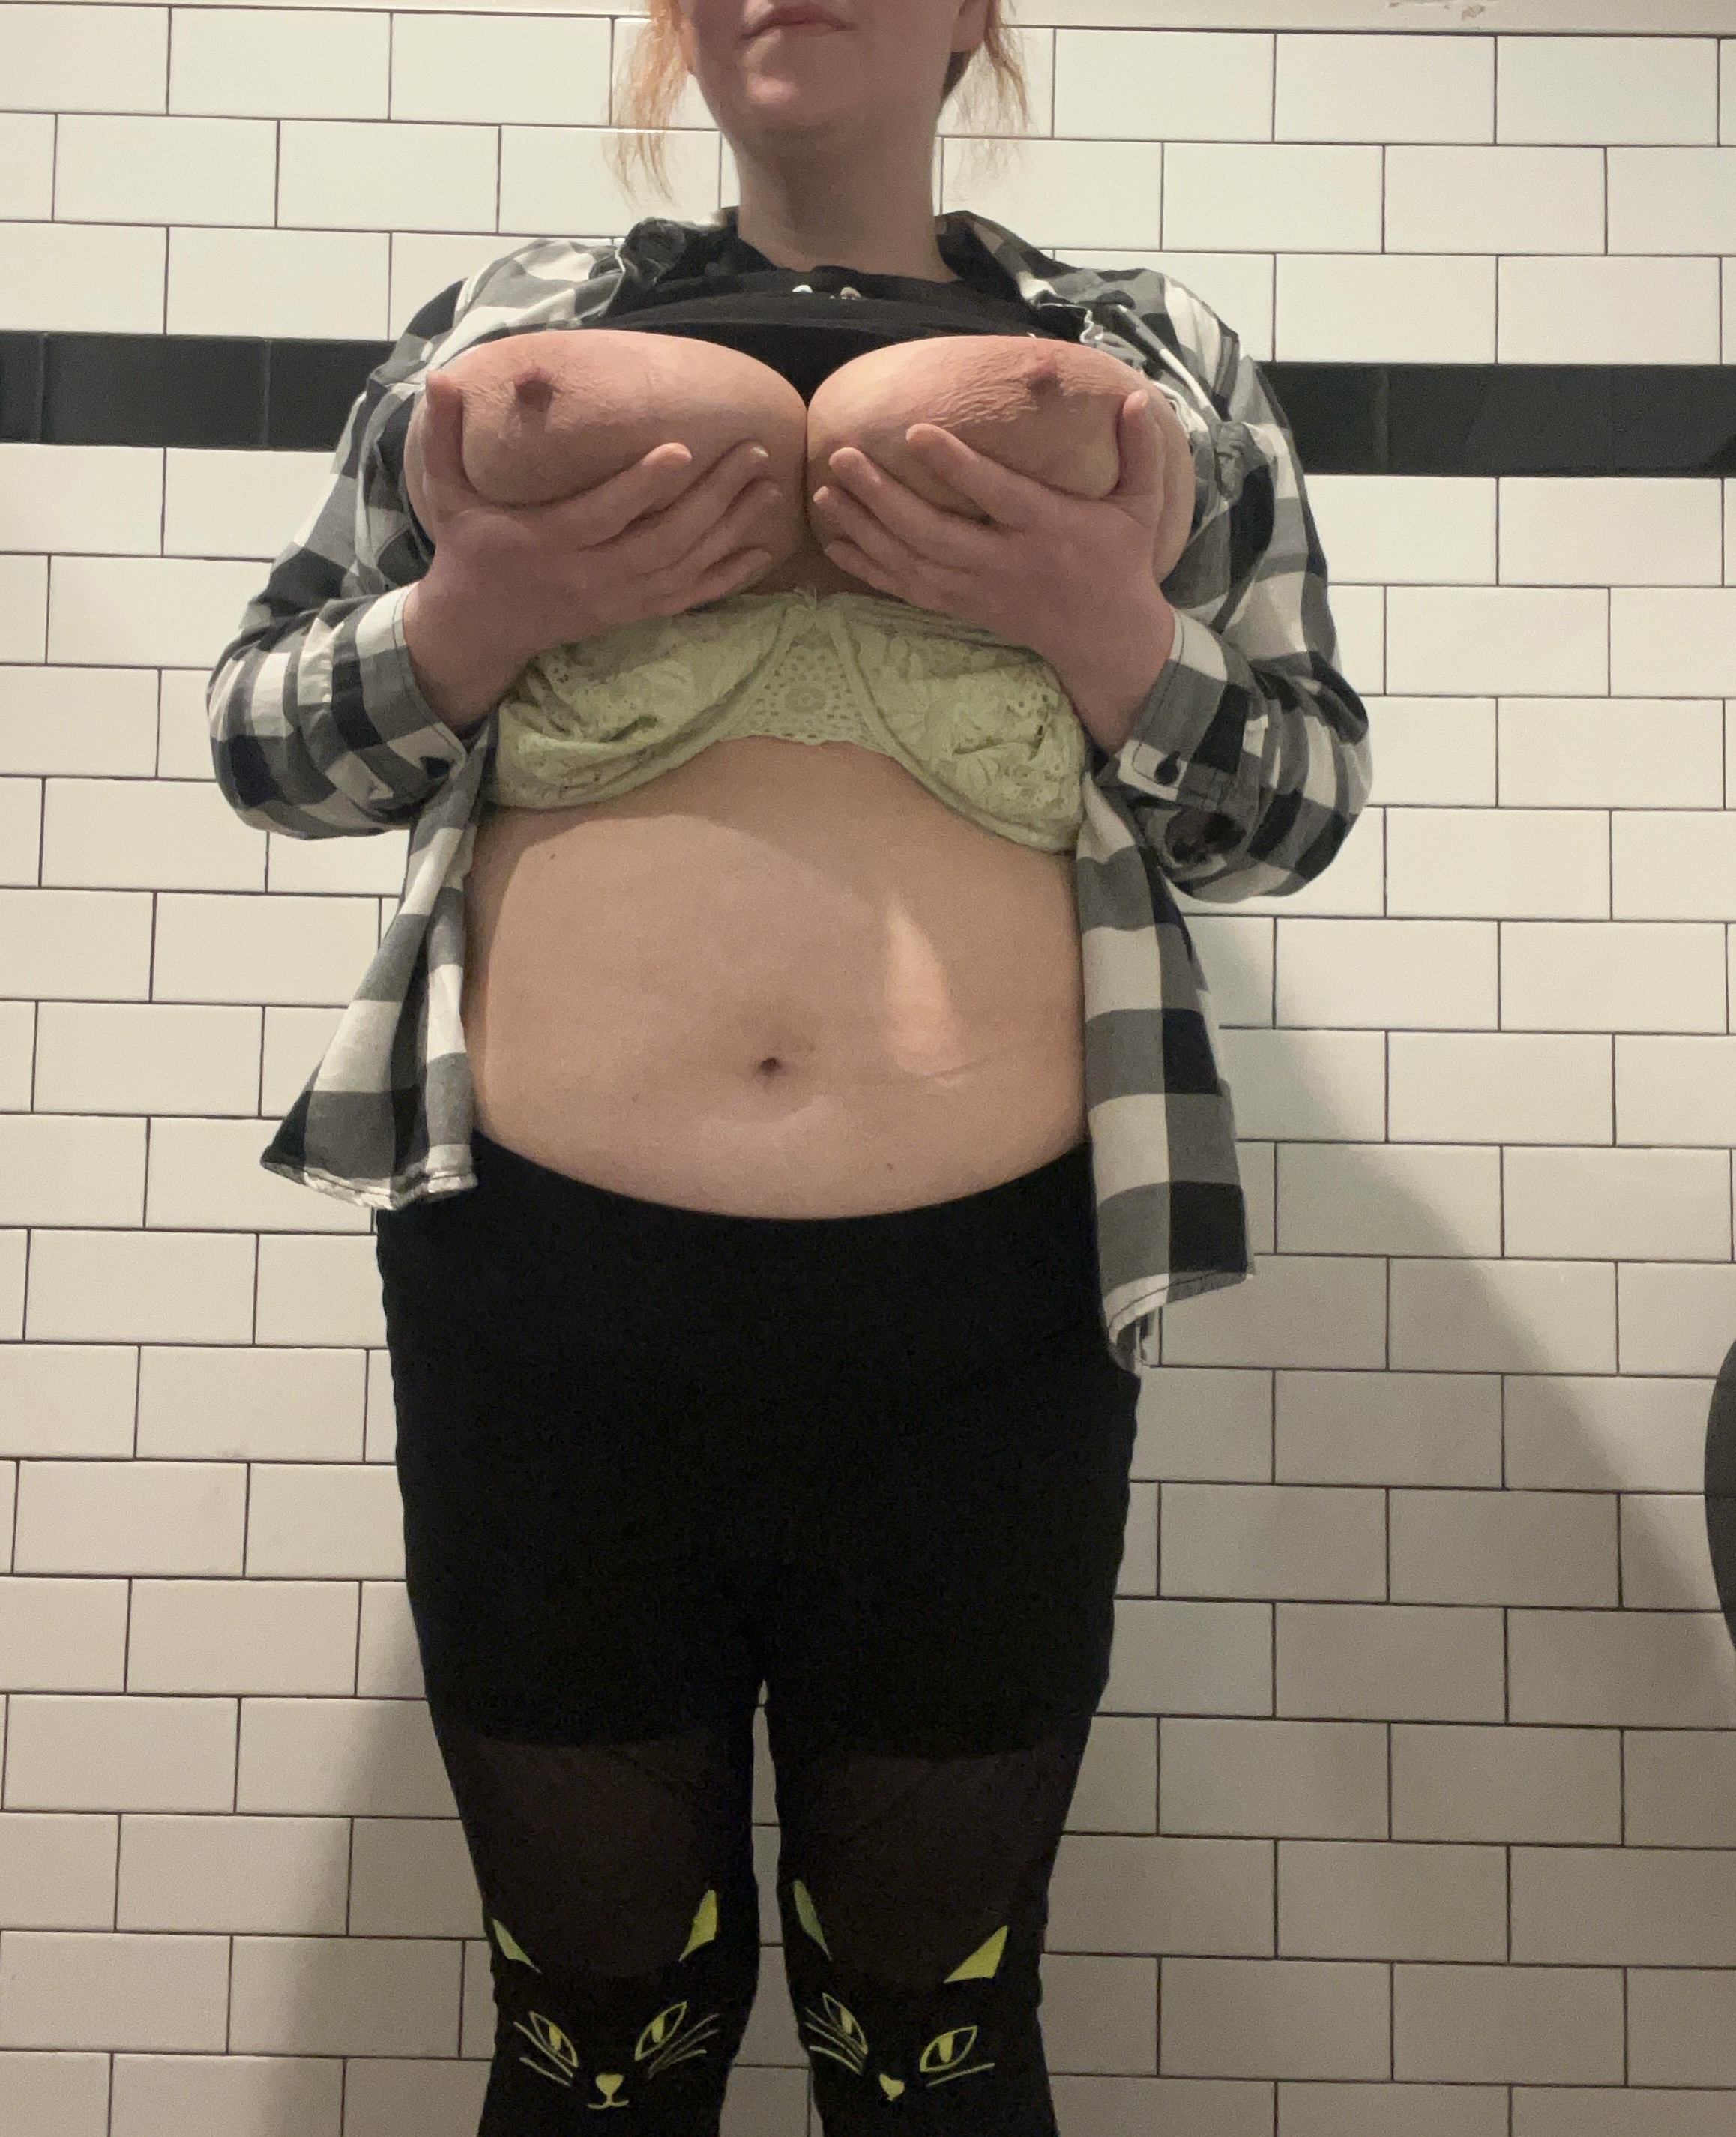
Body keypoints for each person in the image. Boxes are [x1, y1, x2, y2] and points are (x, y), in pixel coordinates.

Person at [205, 1, 1372, 2130]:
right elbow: (266, 743)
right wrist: (478, 611)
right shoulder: (507, 335)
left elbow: (1288, 812)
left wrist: (1109, 633)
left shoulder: (1144, 360)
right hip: (545, 1300)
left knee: (931, 2046)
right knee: (590, 2039)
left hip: (987, 1319)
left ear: (974, 19)